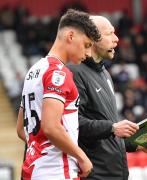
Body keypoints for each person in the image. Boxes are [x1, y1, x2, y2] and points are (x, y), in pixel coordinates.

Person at [68, 16, 147, 180]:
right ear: (92, 37)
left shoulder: (105, 74)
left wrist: (136, 144)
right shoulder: (74, 72)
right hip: (94, 174)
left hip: (116, 174)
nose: (116, 39)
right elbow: (72, 124)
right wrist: (112, 127)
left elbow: (108, 133)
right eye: (110, 33)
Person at [16, 9, 101, 180]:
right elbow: (51, 126)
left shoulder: (34, 71)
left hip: (33, 169)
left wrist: (40, 149)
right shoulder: (59, 73)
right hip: (56, 171)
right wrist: (81, 157)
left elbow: (20, 129)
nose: (88, 53)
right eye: (86, 45)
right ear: (71, 36)